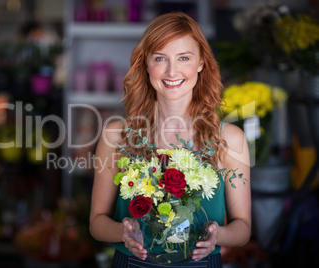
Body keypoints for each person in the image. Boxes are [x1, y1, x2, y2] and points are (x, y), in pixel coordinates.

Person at [89, 12, 251, 267]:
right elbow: (97, 222)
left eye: (184, 58)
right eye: (160, 58)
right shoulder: (117, 136)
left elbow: (243, 228)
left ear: (201, 63)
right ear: (146, 64)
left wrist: (218, 235)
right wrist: (123, 232)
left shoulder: (229, 139)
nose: (172, 71)